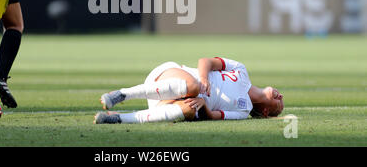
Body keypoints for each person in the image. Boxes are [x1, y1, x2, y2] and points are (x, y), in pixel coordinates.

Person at [94, 56, 284, 124]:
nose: (280, 95)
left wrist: (204, 106)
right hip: (169, 77)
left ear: (266, 112)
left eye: (279, 103)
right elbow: (205, 61)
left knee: (190, 111)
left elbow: (214, 116)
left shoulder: (242, 112)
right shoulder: (241, 70)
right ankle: (123, 94)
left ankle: (119, 118)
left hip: (165, 104)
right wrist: (202, 78)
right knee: (194, 87)